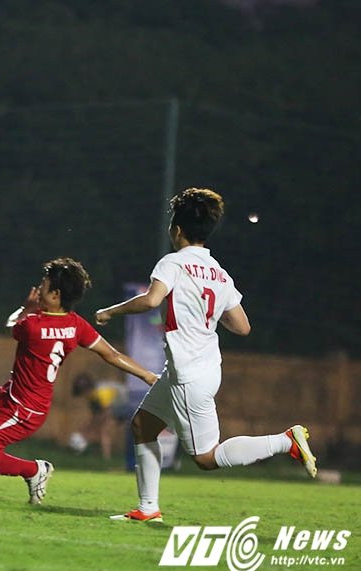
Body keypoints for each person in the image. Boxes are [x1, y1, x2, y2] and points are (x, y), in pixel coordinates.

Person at [95, 187, 316, 523]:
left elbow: (152, 300)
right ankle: (147, 508)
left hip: (188, 374)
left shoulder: (173, 262)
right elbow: (242, 327)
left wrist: (110, 312)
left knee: (206, 458)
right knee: (142, 426)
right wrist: (209, 313)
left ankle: (286, 442)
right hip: (200, 367)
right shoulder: (218, 272)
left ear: (177, 230)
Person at [0, 258, 158, 504]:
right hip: (10, 395)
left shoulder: (33, 324)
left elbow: (11, 326)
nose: (39, 288)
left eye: (44, 284)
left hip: (23, 409)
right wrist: (147, 375)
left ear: (55, 294)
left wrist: (25, 308)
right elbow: (111, 354)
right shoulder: (76, 325)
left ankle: (33, 470)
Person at [67, 373, 124, 461]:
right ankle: (105, 457)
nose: (83, 397)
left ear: (86, 390)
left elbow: (106, 413)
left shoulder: (101, 392)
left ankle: (106, 459)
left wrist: (89, 430)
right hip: (114, 406)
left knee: (105, 430)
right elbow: (96, 416)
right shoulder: (92, 396)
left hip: (124, 404)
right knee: (100, 427)